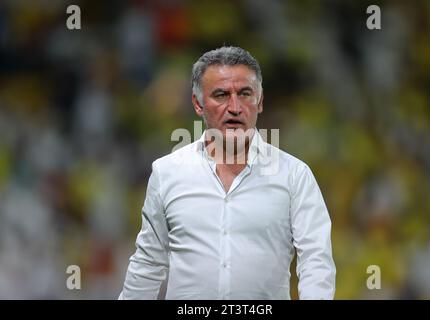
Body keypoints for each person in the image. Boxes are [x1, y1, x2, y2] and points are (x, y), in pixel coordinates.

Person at [119, 46, 336, 300]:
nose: (234, 107)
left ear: (260, 101)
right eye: (221, 95)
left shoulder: (295, 175)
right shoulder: (167, 172)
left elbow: (315, 260)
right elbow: (148, 263)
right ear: (198, 104)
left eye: (245, 94)